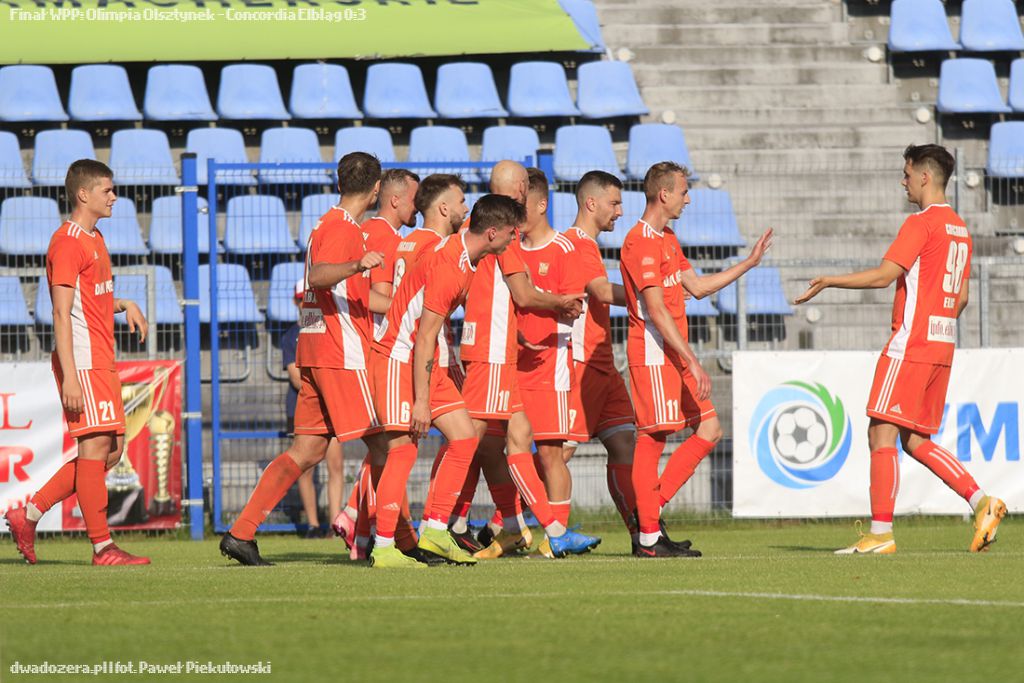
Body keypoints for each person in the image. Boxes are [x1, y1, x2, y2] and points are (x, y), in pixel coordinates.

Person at [795, 143, 1006, 555]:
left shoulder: (921, 223)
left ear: (925, 177)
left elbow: (883, 276)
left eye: (907, 174)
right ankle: (981, 500)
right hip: (941, 345)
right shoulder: (960, 229)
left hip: (910, 345)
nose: (903, 181)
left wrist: (830, 281)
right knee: (914, 439)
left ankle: (881, 534)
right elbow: (962, 298)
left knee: (881, 432)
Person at [219, 152, 391, 566]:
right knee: (388, 445)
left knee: (307, 451)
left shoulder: (325, 224)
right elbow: (318, 277)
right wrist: (357, 264)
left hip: (316, 348)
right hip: (339, 353)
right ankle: (394, 539)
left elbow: (348, 294)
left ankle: (241, 533)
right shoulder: (344, 229)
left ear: (339, 183)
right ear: (375, 191)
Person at [620, 161, 771, 558]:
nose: (688, 199)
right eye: (684, 192)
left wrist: (748, 263)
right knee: (652, 438)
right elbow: (655, 310)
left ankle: (648, 513)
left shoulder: (667, 238)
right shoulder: (639, 241)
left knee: (710, 429)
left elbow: (698, 287)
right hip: (654, 353)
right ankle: (649, 538)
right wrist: (693, 360)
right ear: (664, 194)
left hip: (675, 354)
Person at [3, 159, 150, 566]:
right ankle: (103, 547)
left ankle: (28, 514)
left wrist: (124, 303)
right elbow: (61, 312)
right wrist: (69, 376)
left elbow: (91, 299)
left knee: (110, 452)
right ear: (83, 194)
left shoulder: (95, 238)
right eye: (107, 190)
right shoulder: (67, 242)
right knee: (95, 447)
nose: (114, 196)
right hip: (83, 362)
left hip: (101, 358)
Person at [457, 161, 596, 560]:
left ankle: (543, 531)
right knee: (468, 442)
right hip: (491, 354)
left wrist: (514, 331)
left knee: (512, 439)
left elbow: (484, 292)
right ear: (518, 188)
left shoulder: (480, 226)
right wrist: (560, 302)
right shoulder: (501, 230)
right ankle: (440, 524)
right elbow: (522, 294)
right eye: (522, 186)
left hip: (507, 353)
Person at [368, 195, 516, 568]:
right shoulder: (449, 265)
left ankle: (434, 531)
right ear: (493, 233)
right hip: (398, 357)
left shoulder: (467, 256)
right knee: (402, 451)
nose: (514, 239)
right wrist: (421, 401)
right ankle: (383, 548)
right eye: (511, 233)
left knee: (464, 437)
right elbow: (424, 336)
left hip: (425, 362)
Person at [344, 173, 470, 559]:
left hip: (417, 351)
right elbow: (391, 302)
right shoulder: (434, 247)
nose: (465, 209)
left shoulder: (406, 242)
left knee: (457, 438)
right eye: (461, 201)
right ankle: (375, 533)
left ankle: (416, 531)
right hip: (408, 352)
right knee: (398, 448)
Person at [333, 168, 420, 552]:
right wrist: (417, 311)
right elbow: (373, 298)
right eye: (414, 198)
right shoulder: (385, 238)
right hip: (379, 352)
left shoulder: (363, 231)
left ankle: (363, 530)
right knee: (393, 447)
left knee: (384, 447)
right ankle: (365, 521)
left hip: (360, 349)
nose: (418, 205)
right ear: (395, 199)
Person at [560, 170, 644, 549]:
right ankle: (510, 524)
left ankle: (644, 534)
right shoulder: (576, 243)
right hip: (580, 364)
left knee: (625, 444)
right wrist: (651, 294)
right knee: (560, 453)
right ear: (591, 203)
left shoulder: (587, 244)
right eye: (615, 203)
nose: (620, 211)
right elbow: (601, 291)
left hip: (603, 363)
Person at [514, 168, 591, 536]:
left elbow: (574, 307)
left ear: (542, 205)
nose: (516, 215)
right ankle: (510, 526)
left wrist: (535, 306)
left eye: (522, 207)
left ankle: (555, 534)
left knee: (550, 452)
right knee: (501, 449)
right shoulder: (509, 249)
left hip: (550, 363)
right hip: (511, 364)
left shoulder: (564, 249)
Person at [282, 279, 343, 539]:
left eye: (308, 298)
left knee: (335, 465)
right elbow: (297, 378)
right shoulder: (291, 336)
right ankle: (313, 524)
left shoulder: (327, 330)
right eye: (301, 299)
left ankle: (335, 524)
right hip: (303, 406)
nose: (305, 303)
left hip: (328, 406)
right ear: (296, 301)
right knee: (304, 468)